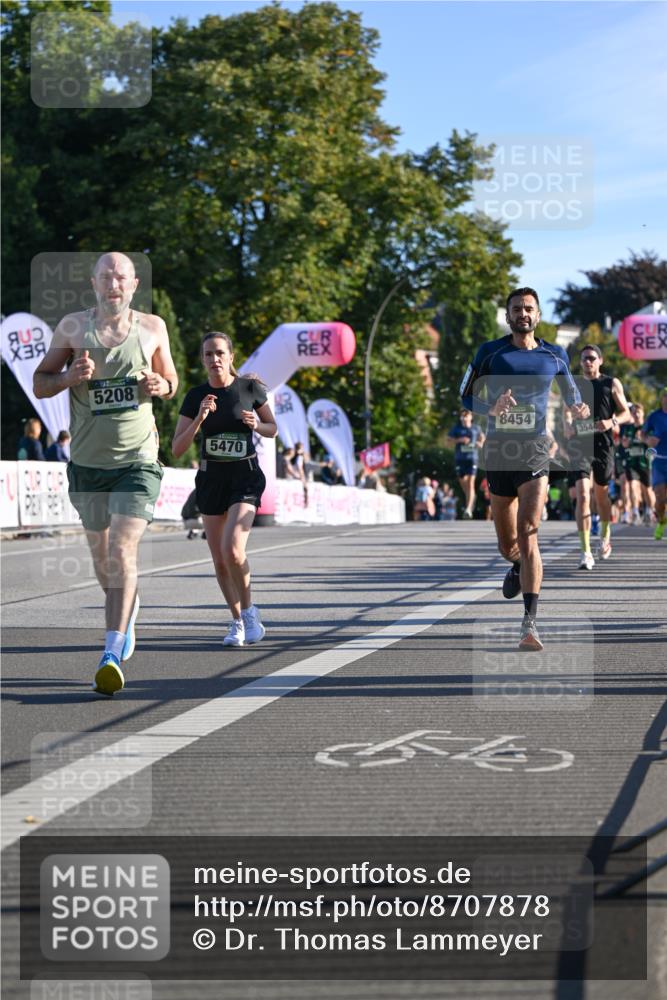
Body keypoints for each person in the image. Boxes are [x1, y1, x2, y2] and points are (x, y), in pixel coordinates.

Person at [33, 251, 178, 696]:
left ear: (134, 285)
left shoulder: (153, 327)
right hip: (88, 465)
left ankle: (111, 652)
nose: (113, 284)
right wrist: (68, 377)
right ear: (94, 284)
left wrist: (161, 385)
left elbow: (171, 380)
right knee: (102, 561)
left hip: (138, 460)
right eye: (105, 277)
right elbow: (40, 382)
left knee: (122, 549)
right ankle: (125, 608)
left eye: (121, 277)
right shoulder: (72, 328)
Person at [460, 287, 589, 651]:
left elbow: (572, 395)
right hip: (499, 452)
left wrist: (578, 408)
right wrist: (491, 408)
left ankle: (529, 622)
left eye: (529, 308)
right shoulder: (490, 353)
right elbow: (465, 395)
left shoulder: (555, 354)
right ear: (508, 316)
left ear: (538, 315)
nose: (523, 314)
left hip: (535, 450)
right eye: (517, 309)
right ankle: (516, 565)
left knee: (529, 530)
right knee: (508, 545)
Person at [172, 332, 277, 646]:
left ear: (231, 356)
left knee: (233, 550)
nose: (214, 359)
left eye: (219, 353)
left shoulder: (249, 389)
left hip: (245, 477)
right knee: (219, 559)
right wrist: (199, 418)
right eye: (208, 354)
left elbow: (272, 429)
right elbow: (177, 448)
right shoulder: (196, 396)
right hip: (211, 480)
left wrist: (256, 425)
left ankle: (249, 612)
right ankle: (237, 621)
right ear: (202, 359)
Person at [564, 344, 632, 569]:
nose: (588, 362)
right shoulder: (573, 385)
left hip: (603, 445)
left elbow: (626, 413)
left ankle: (604, 535)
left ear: (600, 360)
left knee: (601, 495)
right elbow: (566, 411)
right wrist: (567, 424)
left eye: (592, 358)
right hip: (580, 445)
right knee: (583, 495)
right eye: (584, 358)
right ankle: (585, 552)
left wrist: (611, 422)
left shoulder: (611, 383)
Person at [447, 409, 485, 518]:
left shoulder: (476, 428)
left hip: (472, 458)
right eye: (462, 416)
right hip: (460, 459)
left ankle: (468, 509)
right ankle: (472, 497)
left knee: (470, 483)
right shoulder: (457, 428)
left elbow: (482, 438)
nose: (464, 418)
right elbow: (448, 440)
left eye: (466, 416)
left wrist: (480, 443)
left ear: (470, 417)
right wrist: (459, 440)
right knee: (464, 484)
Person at [622, 404, 655, 525]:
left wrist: (643, 439)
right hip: (632, 462)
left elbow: (653, 443)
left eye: (638, 412)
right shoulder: (628, 428)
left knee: (647, 490)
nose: (636, 414)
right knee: (632, 486)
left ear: (643, 413)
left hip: (645, 463)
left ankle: (650, 511)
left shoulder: (647, 428)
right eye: (634, 412)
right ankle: (635, 513)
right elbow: (624, 443)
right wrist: (627, 442)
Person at [643, 387, 667, 540]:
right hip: (659, 461)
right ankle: (661, 522)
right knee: (660, 499)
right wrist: (648, 440)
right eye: (665, 395)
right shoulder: (654, 416)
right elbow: (642, 433)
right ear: (662, 398)